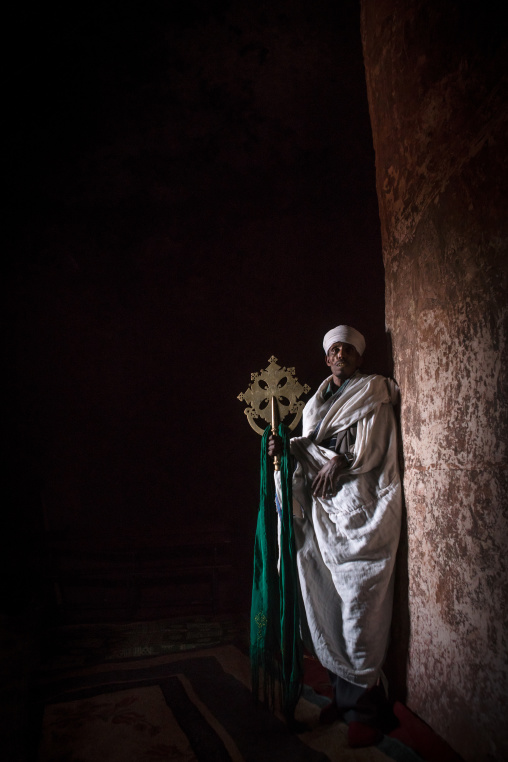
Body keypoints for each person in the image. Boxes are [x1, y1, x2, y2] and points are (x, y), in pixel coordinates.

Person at [268, 325, 401, 746]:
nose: (340, 354)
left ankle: (367, 710)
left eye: (347, 349)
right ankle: (344, 701)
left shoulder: (373, 391)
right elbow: (307, 450)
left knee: (359, 607)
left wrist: (340, 462)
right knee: (325, 601)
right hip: (323, 517)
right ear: (327, 358)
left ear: (359, 358)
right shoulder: (316, 403)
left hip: (361, 511)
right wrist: (284, 451)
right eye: (334, 349)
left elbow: (374, 449)